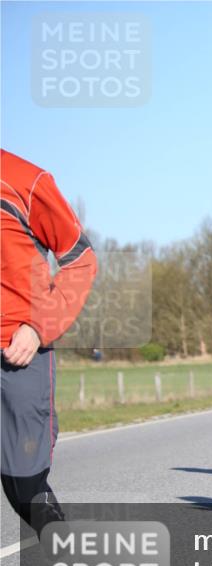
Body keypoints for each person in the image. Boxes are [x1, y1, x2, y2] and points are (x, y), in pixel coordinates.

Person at [1, 149, 98, 536]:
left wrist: (39, 327)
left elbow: (80, 259)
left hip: (18, 352)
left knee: (24, 487)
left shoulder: (26, 181)